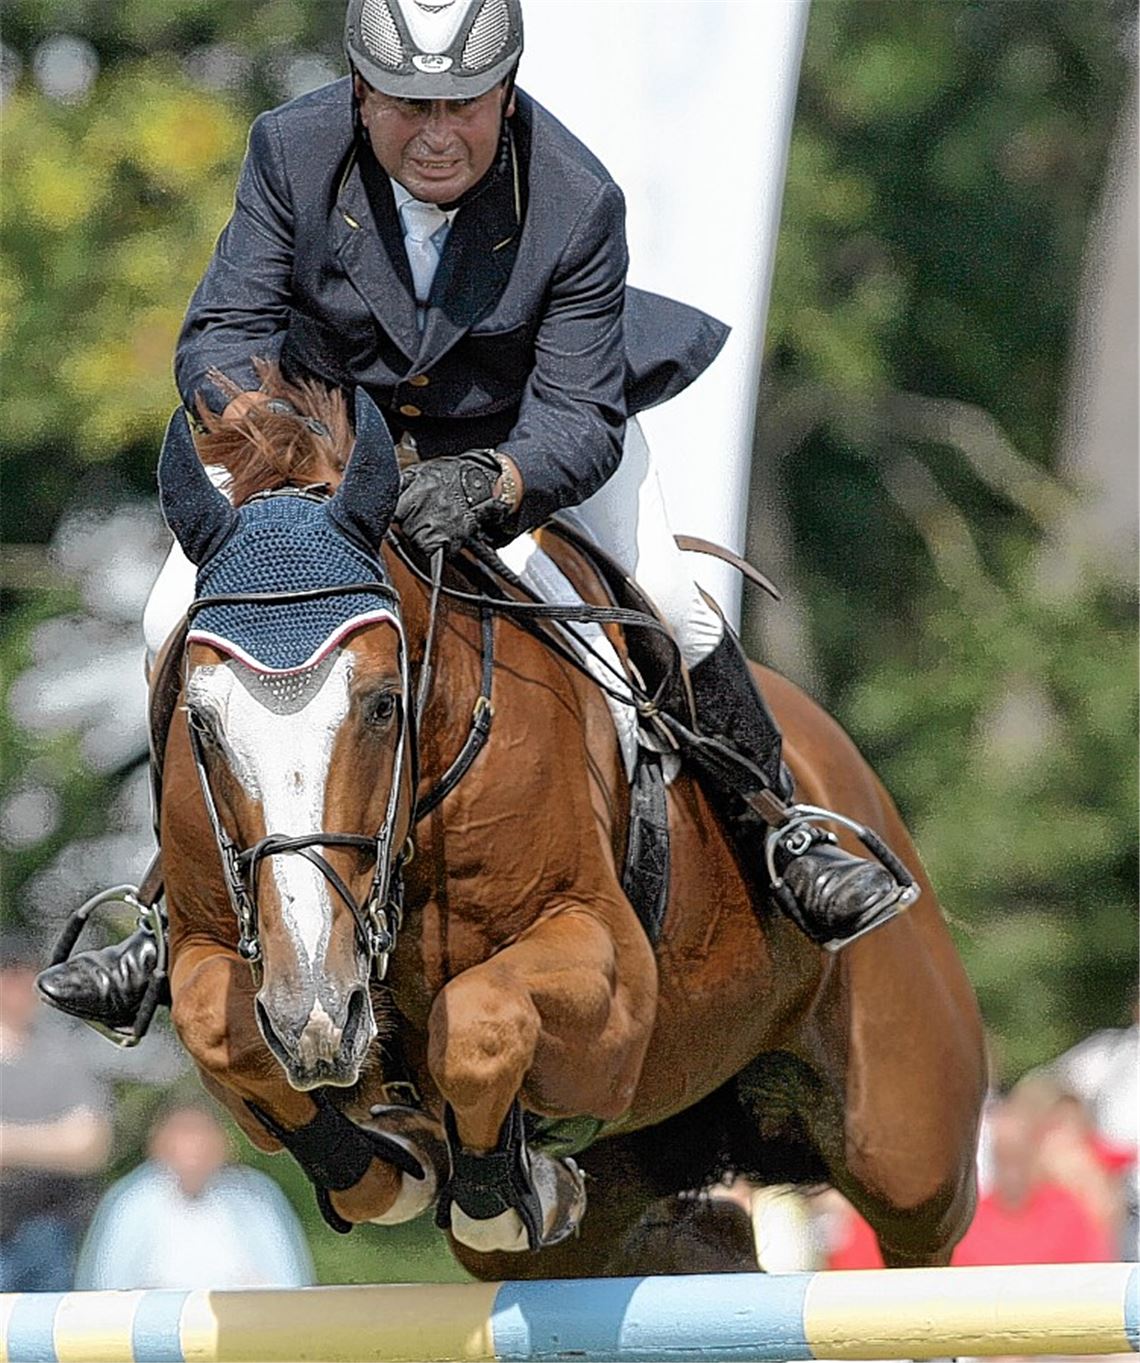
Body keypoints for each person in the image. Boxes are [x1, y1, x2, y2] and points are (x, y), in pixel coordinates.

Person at [38, 0, 911, 1037]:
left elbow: (583, 415)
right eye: (409, 104)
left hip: (519, 434)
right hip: (325, 446)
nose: (438, 131)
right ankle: (162, 909)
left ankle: (782, 830)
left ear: (505, 91)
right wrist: (280, 438)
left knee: (677, 598)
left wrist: (496, 482)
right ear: (362, 97)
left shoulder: (575, 197)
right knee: (163, 617)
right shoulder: (290, 149)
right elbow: (223, 330)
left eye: (463, 102)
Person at [75, 1101, 313, 1289]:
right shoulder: (131, 1202)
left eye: (201, 1136)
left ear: (224, 1144)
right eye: (183, 1136)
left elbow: (289, 1281)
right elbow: (105, 1289)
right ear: (158, 1144)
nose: (193, 1149)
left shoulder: (255, 1197)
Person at [0, 935, 112, 1290]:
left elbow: (91, 1146)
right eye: (9, 976)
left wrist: (10, 1141)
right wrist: (52, 1138)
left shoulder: (63, 1055)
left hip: (47, 1224)